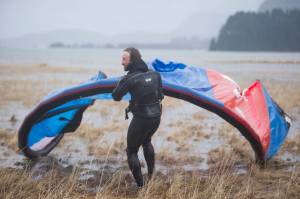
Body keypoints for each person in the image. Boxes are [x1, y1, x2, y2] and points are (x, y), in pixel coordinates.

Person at [112, 47, 163, 187]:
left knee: (131, 151)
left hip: (142, 118)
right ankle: (151, 177)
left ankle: (141, 186)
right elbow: (161, 96)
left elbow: (116, 96)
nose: (121, 62)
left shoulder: (129, 79)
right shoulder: (155, 75)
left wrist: (122, 82)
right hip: (156, 117)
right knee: (146, 141)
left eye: (124, 59)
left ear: (132, 60)